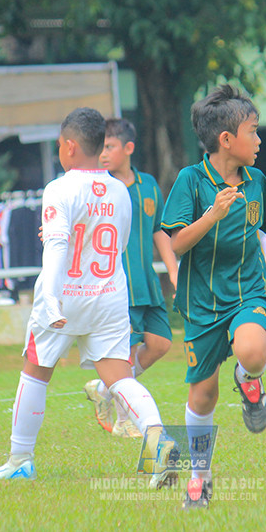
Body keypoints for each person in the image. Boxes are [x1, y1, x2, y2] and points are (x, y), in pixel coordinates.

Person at [0, 109, 177, 488]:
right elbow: (117, 245)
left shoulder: (60, 188)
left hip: (67, 295)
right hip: (109, 296)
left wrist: (51, 297)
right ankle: (159, 442)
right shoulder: (121, 191)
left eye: (59, 144)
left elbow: (57, 244)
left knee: (35, 372)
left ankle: (20, 459)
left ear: (69, 146)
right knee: (120, 378)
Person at [161, 84, 266, 509]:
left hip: (248, 292)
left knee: (252, 352)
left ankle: (250, 380)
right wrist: (211, 214)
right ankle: (200, 478)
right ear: (226, 140)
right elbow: (176, 244)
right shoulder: (190, 181)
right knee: (202, 396)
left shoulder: (257, 181)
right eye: (253, 131)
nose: (259, 140)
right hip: (200, 305)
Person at [83, 118, 179, 439]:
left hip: (147, 282)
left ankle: (105, 388)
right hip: (117, 285)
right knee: (124, 350)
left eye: (109, 146)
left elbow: (159, 232)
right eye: (101, 148)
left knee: (161, 343)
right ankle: (126, 419)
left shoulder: (149, 184)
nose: (104, 153)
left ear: (128, 148)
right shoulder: (98, 188)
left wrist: (175, 273)